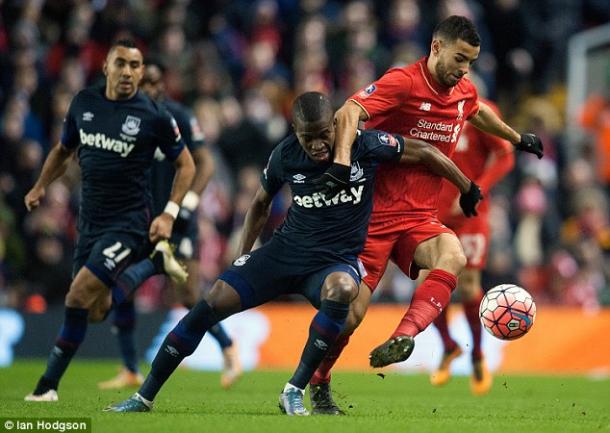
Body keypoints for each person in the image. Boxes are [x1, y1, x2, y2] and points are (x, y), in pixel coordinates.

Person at [104, 91, 480, 415]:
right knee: (211, 301)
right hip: (284, 253)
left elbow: (427, 151)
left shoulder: (365, 145)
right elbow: (260, 204)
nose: (316, 145)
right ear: (295, 134)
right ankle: (144, 395)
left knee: (343, 291)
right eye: (307, 138)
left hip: (334, 261)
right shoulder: (285, 155)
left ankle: (294, 390)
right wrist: (243, 253)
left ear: (335, 126)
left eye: (322, 135)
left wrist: (465, 186)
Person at [308, 15, 543, 414]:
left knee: (453, 256)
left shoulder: (463, 91)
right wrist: (343, 162)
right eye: (460, 58)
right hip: (371, 219)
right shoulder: (403, 82)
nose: (464, 69)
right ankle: (316, 383)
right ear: (436, 48)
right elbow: (349, 111)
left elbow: (479, 110)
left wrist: (517, 138)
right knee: (348, 319)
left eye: (470, 62)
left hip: (418, 218)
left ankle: (404, 337)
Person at [23, 40, 195, 402]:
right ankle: (152, 265)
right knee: (96, 309)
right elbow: (63, 151)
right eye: (122, 64)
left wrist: (169, 212)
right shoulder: (84, 103)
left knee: (78, 293)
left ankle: (47, 386)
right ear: (106, 68)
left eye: (136, 65)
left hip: (129, 223)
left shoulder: (153, 115)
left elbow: (187, 164)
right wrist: (40, 186)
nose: (130, 72)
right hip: (89, 223)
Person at [97, 59, 241, 391]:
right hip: (139, 219)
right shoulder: (124, 120)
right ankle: (130, 367)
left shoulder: (179, 117)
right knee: (123, 286)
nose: (147, 88)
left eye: (152, 82)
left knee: (189, 294)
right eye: (142, 82)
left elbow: (204, 163)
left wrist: (187, 206)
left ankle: (227, 346)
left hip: (177, 218)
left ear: (161, 84)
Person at [429, 98, 514, 396]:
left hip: (469, 213)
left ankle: (478, 355)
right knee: (431, 286)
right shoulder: (425, 109)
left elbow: (505, 156)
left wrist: (475, 189)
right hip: (432, 212)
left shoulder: (481, 110)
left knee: (467, 286)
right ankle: (449, 347)